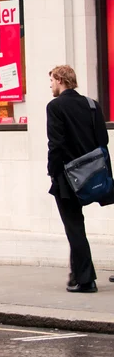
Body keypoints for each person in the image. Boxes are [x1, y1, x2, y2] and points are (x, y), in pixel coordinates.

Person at [46, 65, 108, 293]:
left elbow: (56, 145)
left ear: (61, 79)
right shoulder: (92, 105)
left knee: (74, 227)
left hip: (67, 177)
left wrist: (53, 172)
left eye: (52, 80)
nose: (50, 84)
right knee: (77, 228)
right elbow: (103, 140)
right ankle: (77, 273)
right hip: (93, 173)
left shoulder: (55, 106)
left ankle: (85, 279)